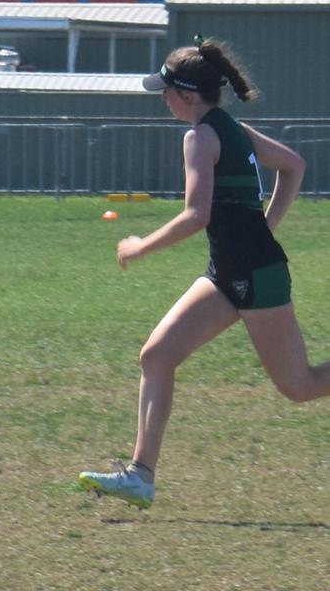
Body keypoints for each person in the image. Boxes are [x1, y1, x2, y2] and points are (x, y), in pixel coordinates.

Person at [79, 38, 330, 509]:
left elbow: (197, 214)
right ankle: (140, 476)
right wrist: (265, 225)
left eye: (166, 90)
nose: (163, 99)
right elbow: (294, 166)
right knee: (156, 356)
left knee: (300, 386)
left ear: (188, 96)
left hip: (256, 275)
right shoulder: (233, 129)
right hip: (227, 273)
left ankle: (140, 474)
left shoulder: (200, 136)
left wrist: (140, 246)